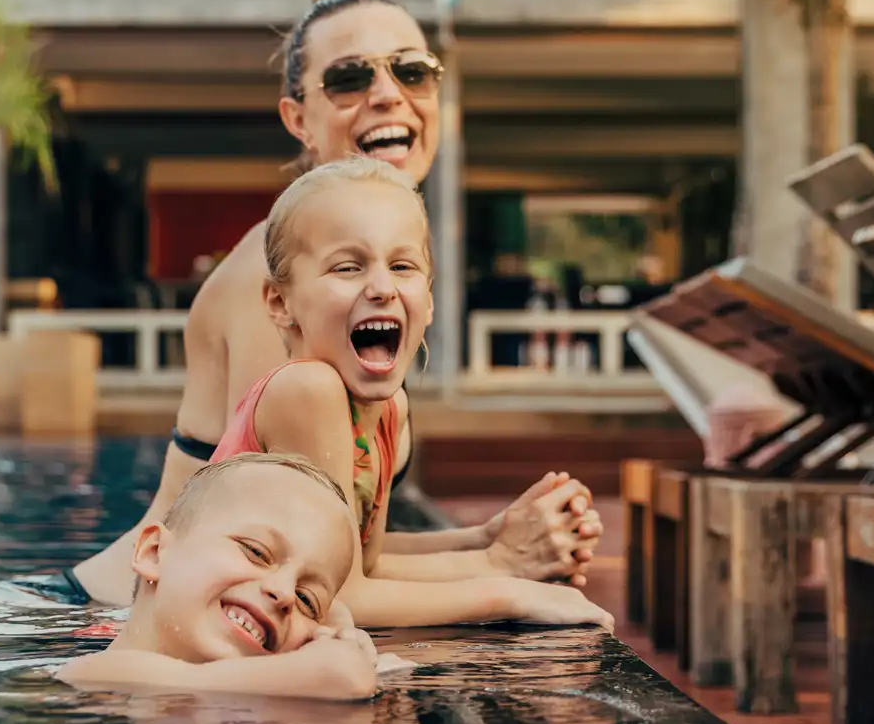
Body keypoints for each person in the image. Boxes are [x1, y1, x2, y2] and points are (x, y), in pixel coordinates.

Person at [61, 0, 602, 608]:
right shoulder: (278, 283)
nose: (387, 95)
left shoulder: (360, 299)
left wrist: (488, 548)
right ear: (299, 117)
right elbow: (305, 578)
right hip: (104, 616)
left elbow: (341, 545)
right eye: (350, 78)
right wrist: (504, 588)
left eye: (413, 72)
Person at [211, 156, 614, 631]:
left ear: (429, 298)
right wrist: (510, 592)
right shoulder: (306, 389)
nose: (382, 287)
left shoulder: (386, 409)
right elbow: (335, 598)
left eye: (402, 266)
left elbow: (365, 564)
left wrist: (486, 545)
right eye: (347, 267)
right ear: (280, 302)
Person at [57, 452, 393, 701]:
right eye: (256, 552)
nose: (285, 594)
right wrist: (338, 657)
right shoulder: (96, 675)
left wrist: (341, 640)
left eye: (307, 599)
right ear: (154, 552)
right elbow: (343, 675)